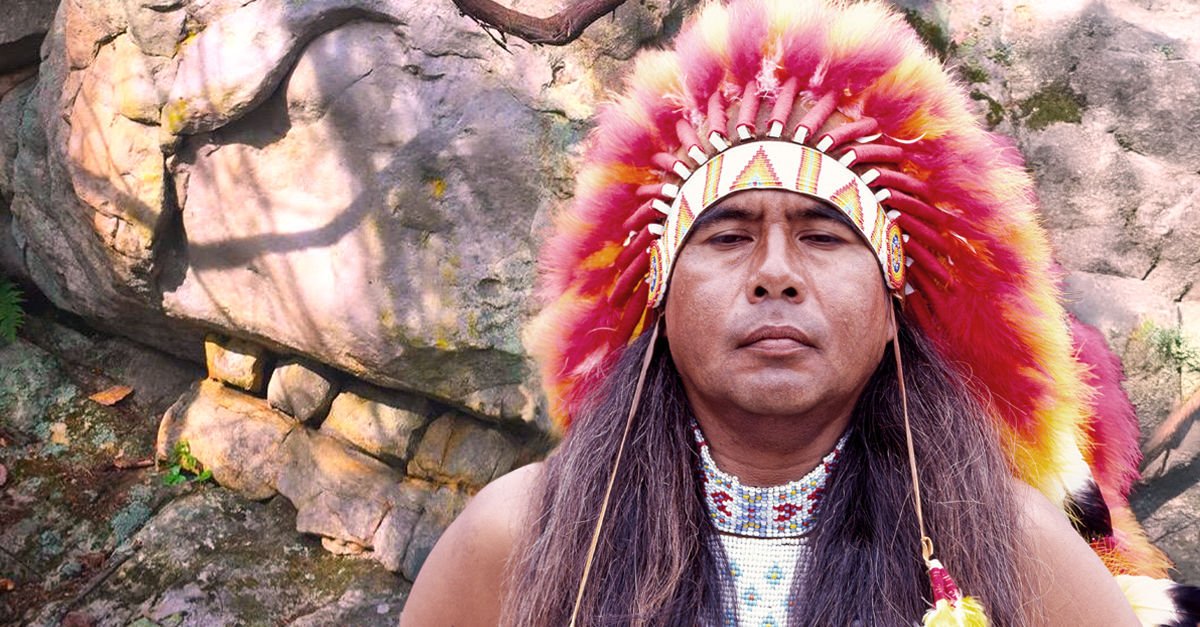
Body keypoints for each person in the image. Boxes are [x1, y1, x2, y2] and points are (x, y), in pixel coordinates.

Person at [401, 1, 1200, 625]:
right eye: (728, 235)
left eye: (823, 235)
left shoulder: (1014, 547)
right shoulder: (514, 538)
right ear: (658, 297)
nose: (775, 274)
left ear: (893, 307)